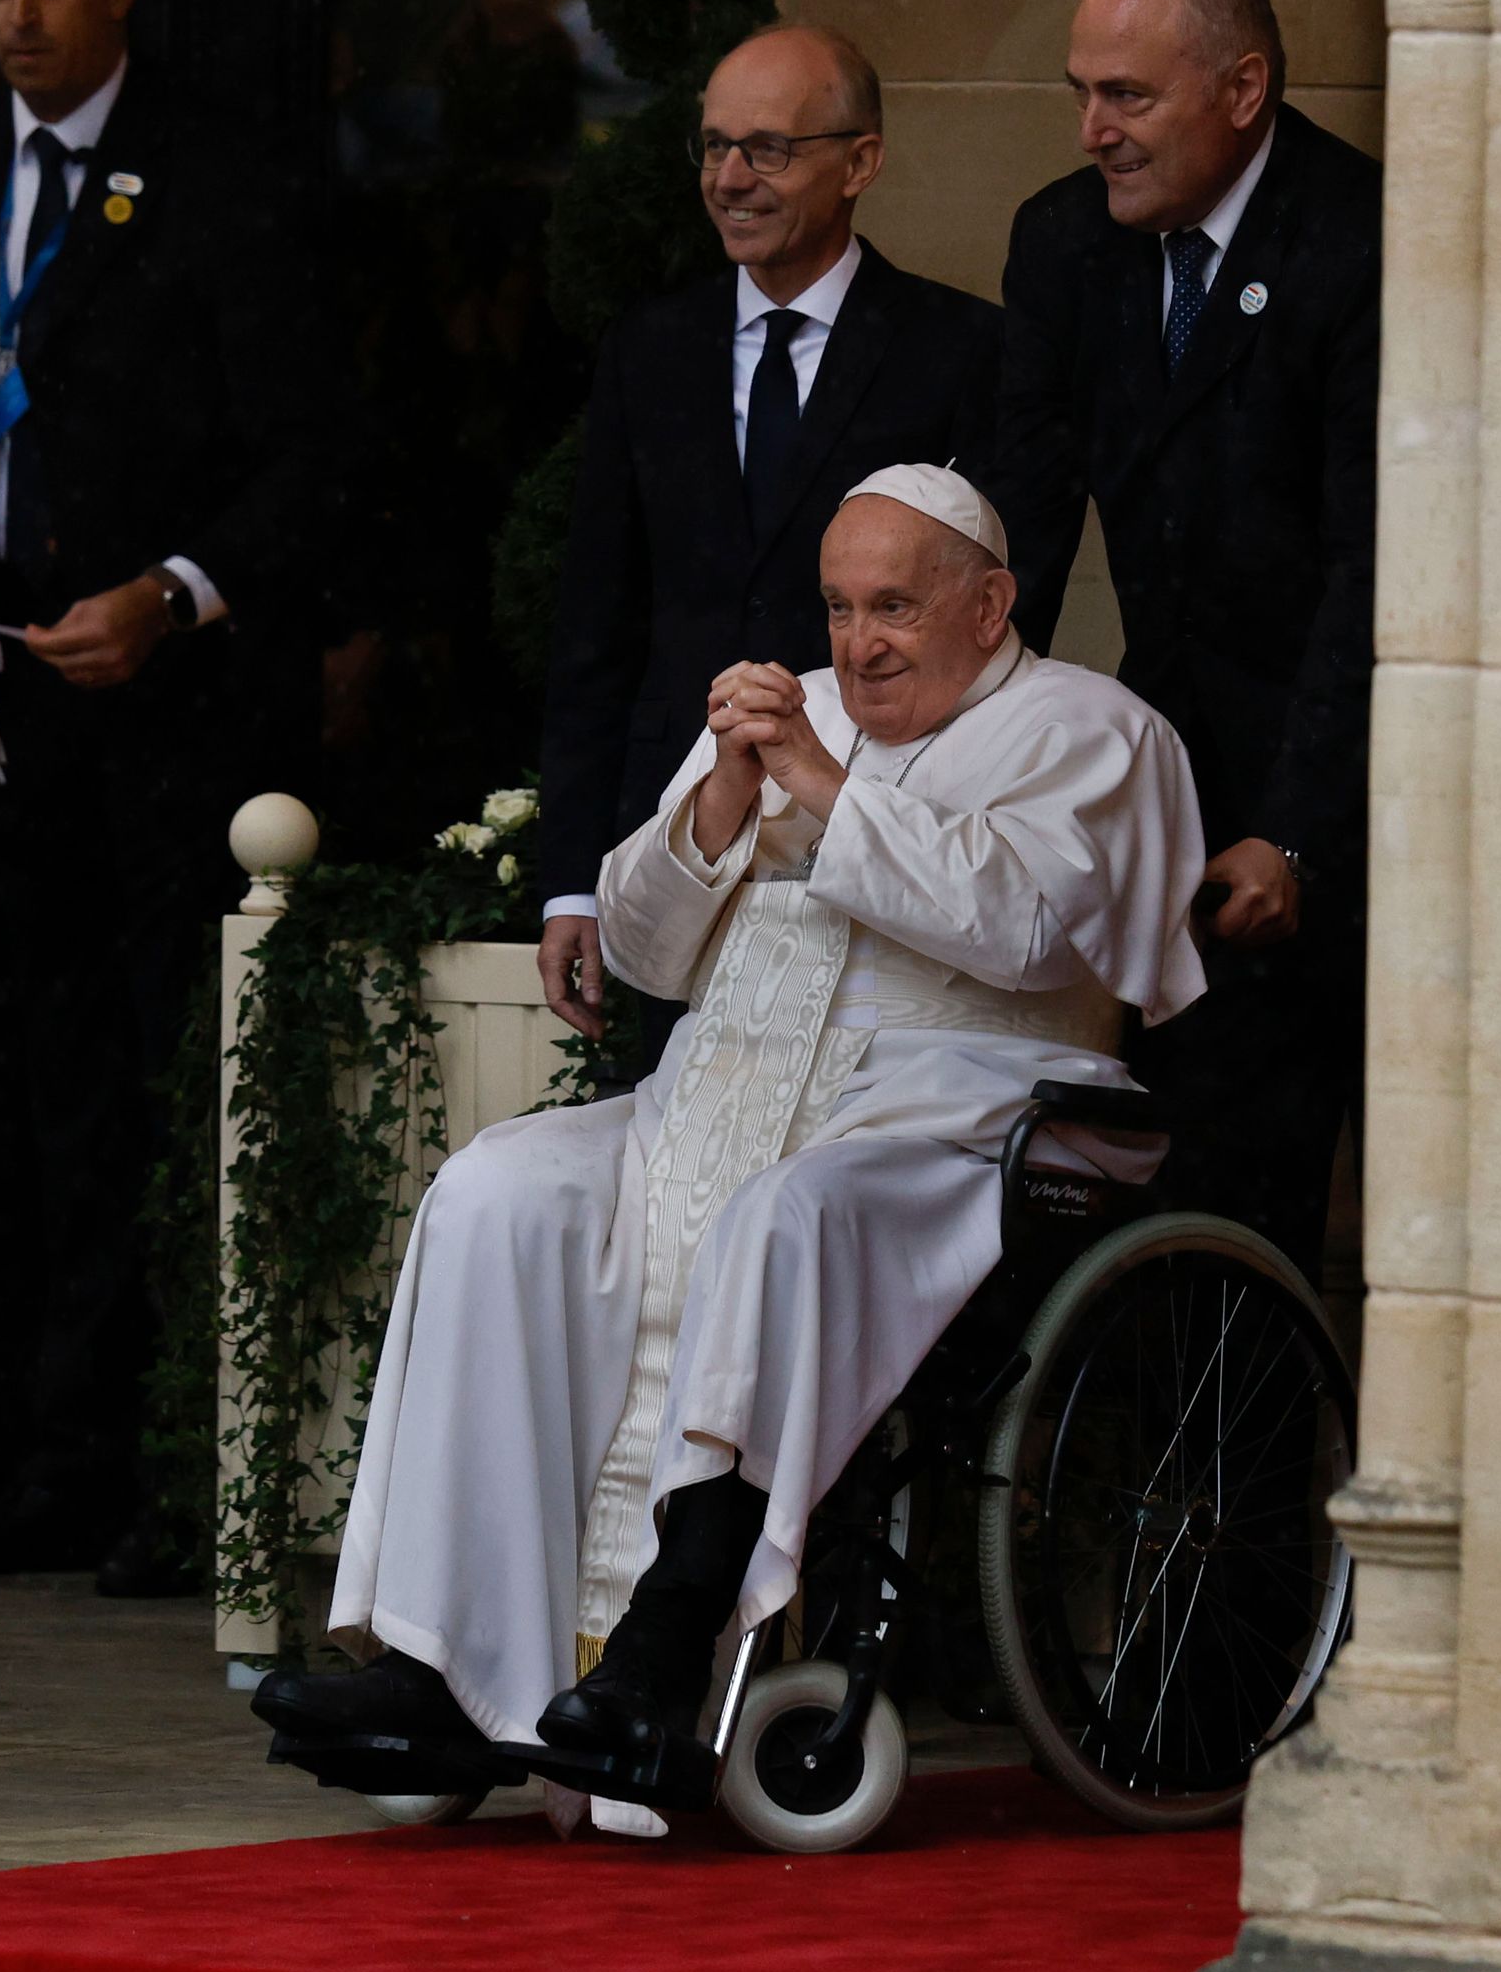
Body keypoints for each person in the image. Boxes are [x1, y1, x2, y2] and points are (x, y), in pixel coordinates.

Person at [253, 469, 1208, 1822]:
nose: (858, 642)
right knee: (494, 1194)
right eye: (837, 607)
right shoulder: (787, 709)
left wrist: (824, 788)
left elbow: (1027, 934)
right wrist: (717, 810)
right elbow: (649, 953)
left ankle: (660, 1651)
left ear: (990, 605)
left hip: (952, 1118)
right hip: (706, 1101)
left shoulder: (1093, 732)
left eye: (894, 607)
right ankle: (435, 1668)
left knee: (780, 1217)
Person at [0, 0, 339, 1588]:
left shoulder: (231, 173)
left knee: (173, 1088)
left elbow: (310, 453)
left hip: (171, 721)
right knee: (36, 1097)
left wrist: (176, 592)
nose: (18, 17)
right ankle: (49, 1461)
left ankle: (184, 1483)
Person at [985, 0, 1376, 1278]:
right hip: (1166, 793)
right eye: (1080, 93)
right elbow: (1014, 541)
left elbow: (1369, 572)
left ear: (1245, 87)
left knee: (1307, 1222)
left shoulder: (1360, 242)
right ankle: (1158, 1490)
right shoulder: (1063, 245)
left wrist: (1300, 835)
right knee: (1151, 1204)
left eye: (1128, 97)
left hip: (1338, 805)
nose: (1093, 131)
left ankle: (1271, 1492)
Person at [531, 23, 1002, 1048]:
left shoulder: (959, 352)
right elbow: (595, 630)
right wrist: (571, 879)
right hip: (677, 845)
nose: (730, 178)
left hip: (872, 844)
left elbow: (989, 631)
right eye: (712, 146)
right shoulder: (648, 350)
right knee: (664, 1167)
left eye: (768, 149)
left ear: (861, 161)